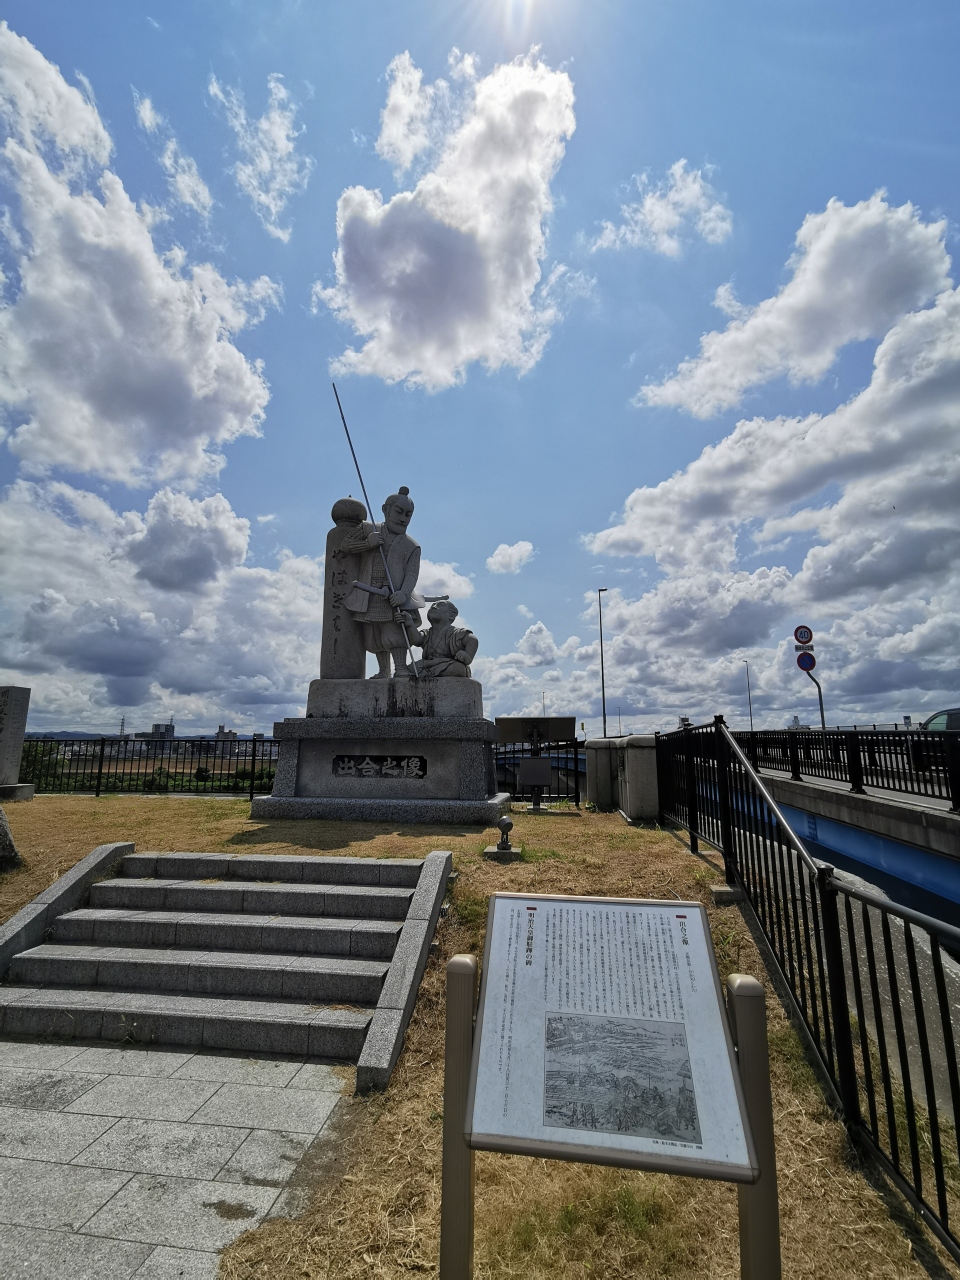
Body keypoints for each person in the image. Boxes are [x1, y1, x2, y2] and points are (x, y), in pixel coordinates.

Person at [342, 487, 422, 678]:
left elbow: (412, 574)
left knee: (394, 631)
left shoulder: (411, 545)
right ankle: (383, 670)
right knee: (374, 634)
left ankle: (400, 668)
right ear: (386, 510)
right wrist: (367, 544)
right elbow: (345, 545)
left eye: (408, 515)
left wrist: (403, 593)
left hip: (393, 595)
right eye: (399, 512)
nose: (403, 518)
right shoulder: (368, 529)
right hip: (369, 593)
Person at [412, 600, 478, 677]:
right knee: (410, 669)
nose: (434, 607)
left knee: (458, 668)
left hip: (448, 664)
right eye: (432, 605)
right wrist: (410, 624)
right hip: (427, 664)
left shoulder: (456, 633)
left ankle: (428, 673)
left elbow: (472, 640)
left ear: (451, 615)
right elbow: (417, 640)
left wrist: (467, 655)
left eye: (441, 605)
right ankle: (427, 673)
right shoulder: (427, 633)